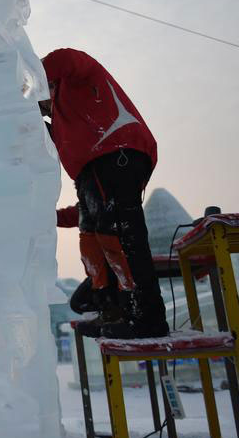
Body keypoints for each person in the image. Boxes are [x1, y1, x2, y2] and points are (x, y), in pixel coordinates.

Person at [40, 48, 168, 339]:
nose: (43, 109)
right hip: (96, 171)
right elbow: (84, 210)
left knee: (120, 236)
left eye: (41, 101)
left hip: (114, 152)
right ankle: (114, 309)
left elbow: (67, 58)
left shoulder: (75, 80)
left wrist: (22, 79)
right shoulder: (63, 126)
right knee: (93, 236)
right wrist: (45, 217)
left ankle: (146, 316)